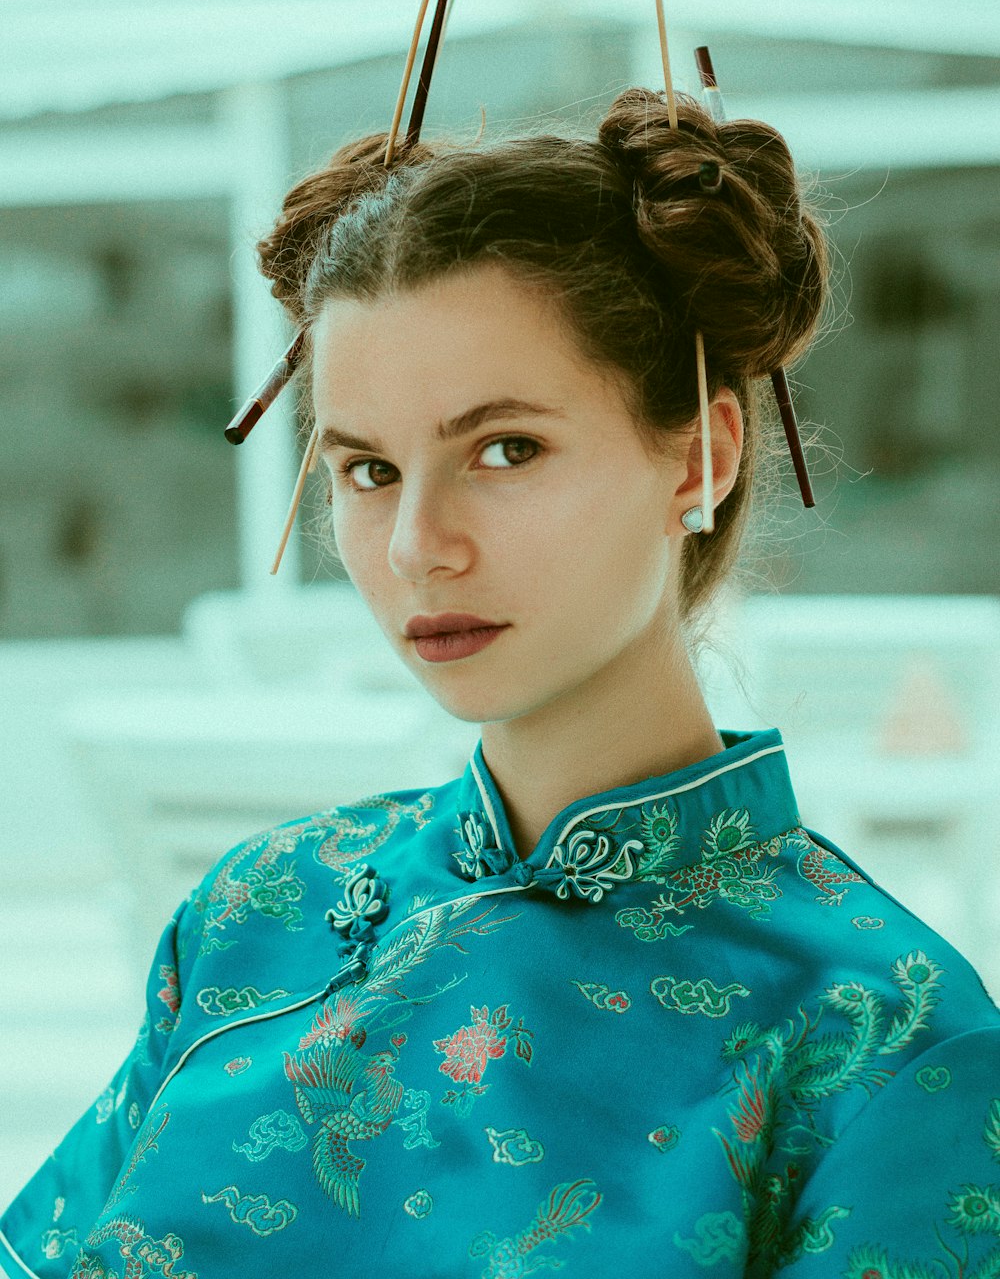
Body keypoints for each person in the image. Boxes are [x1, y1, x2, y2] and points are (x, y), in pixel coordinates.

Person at [3, 87, 998, 1279]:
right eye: (367, 468)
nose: (419, 542)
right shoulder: (256, 908)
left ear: (702, 454)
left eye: (504, 448)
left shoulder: (881, 1036)